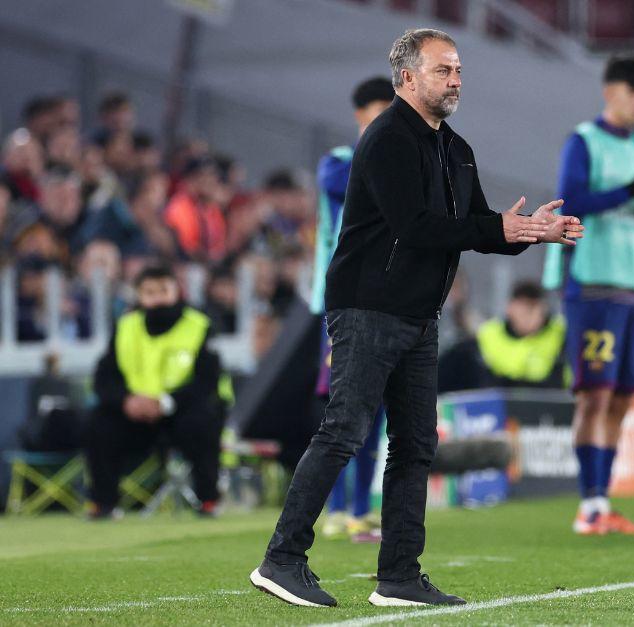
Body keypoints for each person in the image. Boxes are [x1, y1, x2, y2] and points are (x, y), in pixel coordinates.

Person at [250, 28, 583, 608]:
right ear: (407, 77)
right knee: (345, 430)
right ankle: (281, 559)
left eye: (458, 71)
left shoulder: (456, 148)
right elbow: (416, 227)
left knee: (415, 445)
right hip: (367, 307)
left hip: (418, 314)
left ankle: (399, 576)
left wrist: (531, 232)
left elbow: (474, 227)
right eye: (442, 70)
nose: (455, 81)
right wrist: (497, 226)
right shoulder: (386, 140)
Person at [542, 54, 634, 536]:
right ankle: (588, 505)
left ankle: (601, 501)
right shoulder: (584, 141)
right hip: (593, 283)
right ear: (611, 91)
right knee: (594, 395)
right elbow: (571, 200)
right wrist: (630, 191)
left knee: (621, 397)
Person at [312, 77, 395, 545]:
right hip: (341, 302)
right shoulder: (338, 162)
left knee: (376, 410)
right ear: (360, 116)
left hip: (386, 298)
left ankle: (361, 509)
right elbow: (342, 185)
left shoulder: (402, 161)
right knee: (344, 409)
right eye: (377, 114)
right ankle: (336, 508)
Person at [84, 264, 224, 518]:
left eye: (163, 291)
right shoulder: (126, 326)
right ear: (139, 295)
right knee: (100, 423)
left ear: (177, 291)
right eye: (149, 292)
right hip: (135, 412)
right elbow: (104, 377)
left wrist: (166, 403)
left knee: (203, 421)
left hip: (180, 409)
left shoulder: (199, 325)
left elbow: (207, 381)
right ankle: (103, 503)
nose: (157, 298)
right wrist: (126, 401)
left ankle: (208, 499)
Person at [476, 281, 566, 388]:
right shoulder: (489, 333)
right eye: (523, 309)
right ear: (510, 308)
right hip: (502, 394)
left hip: (549, 394)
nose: (528, 316)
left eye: (533, 308)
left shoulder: (561, 332)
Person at [163, 155, 227, 262]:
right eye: (203, 176)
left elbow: (218, 247)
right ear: (190, 179)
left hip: (206, 264)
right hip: (184, 262)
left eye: (212, 176)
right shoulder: (179, 206)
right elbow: (186, 247)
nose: (209, 182)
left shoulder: (211, 209)